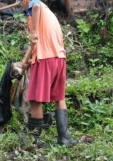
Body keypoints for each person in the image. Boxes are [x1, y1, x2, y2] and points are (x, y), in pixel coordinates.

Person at [21, 0, 77, 146]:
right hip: (59, 59)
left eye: (21, 2)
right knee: (59, 98)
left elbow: (36, 7)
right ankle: (65, 139)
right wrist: (29, 63)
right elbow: (44, 41)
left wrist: (33, 33)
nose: (22, 5)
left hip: (45, 60)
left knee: (35, 100)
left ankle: (33, 140)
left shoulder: (35, 5)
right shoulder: (49, 14)